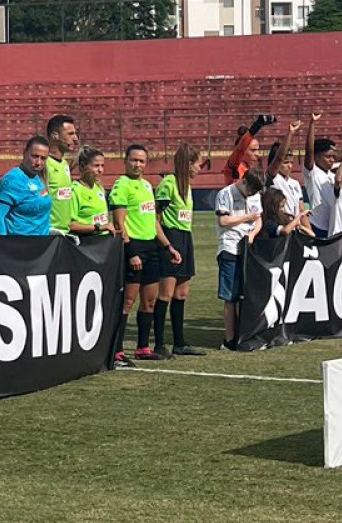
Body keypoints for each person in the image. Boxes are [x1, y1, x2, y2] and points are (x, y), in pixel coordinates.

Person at [108, 142, 168, 360]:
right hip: (133, 248)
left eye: (141, 161)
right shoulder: (121, 185)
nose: (137, 164)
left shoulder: (146, 186)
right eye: (133, 160)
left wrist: (167, 246)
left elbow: (153, 222)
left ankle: (143, 348)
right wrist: (131, 251)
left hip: (151, 247)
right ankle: (117, 348)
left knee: (149, 300)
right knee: (128, 301)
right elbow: (119, 224)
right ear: (125, 161)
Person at [154, 140, 204, 358]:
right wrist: (166, 244)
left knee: (181, 293)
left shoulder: (187, 186)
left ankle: (179, 342)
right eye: (198, 164)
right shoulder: (168, 183)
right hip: (171, 237)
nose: (200, 169)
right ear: (189, 163)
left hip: (186, 237)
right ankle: (158, 344)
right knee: (165, 293)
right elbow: (156, 216)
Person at [215, 166, 264, 349]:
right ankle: (229, 339)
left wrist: (252, 235)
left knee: (247, 294)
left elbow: (258, 219)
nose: (250, 194)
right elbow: (223, 221)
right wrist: (246, 218)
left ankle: (244, 335)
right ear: (243, 181)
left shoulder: (255, 196)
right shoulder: (225, 194)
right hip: (229, 247)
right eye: (250, 189)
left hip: (247, 248)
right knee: (230, 296)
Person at [0, 135, 53, 236]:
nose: (38, 162)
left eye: (43, 158)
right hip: (20, 246)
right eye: (34, 156)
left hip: (43, 246)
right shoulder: (12, 180)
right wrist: (3, 246)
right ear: (24, 153)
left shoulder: (40, 178)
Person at [43, 114, 81, 236]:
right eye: (70, 134)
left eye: (75, 134)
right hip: (49, 233)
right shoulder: (44, 164)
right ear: (55, 136)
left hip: (65, 233)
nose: (75, 138)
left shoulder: (64, 164)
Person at [67, 145, 112, 245]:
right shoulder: (75, 190)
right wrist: (97, 227)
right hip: (86, 244)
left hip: (103, 244)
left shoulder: (99, 189)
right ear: (83, 166)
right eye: (96, 166)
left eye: (102, 166)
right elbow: (70, 225)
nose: (100, 170)